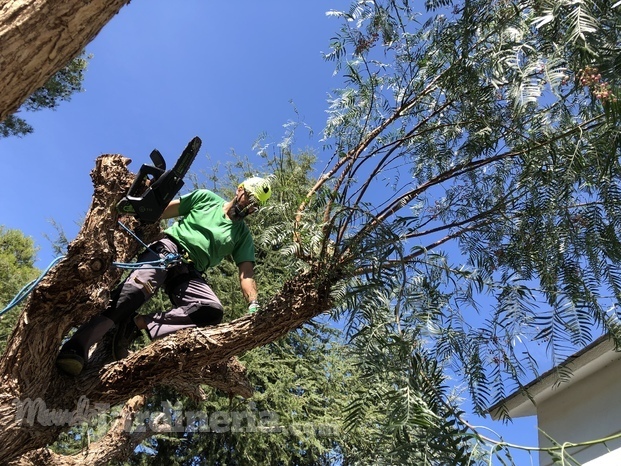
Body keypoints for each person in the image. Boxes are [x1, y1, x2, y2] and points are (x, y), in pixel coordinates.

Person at [56, 176, 272, 376]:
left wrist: (254, 303)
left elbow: (246, 274)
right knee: (135, 291)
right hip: (167, 250)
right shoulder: (206, 199)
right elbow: (162, 211)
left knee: (210, 310)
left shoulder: (242, 236)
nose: (248, 207)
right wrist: (137, 208)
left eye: (255, 206)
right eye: (249, 199)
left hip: (189, 270)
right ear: (240, 190)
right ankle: (76, 347)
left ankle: (135, 324)